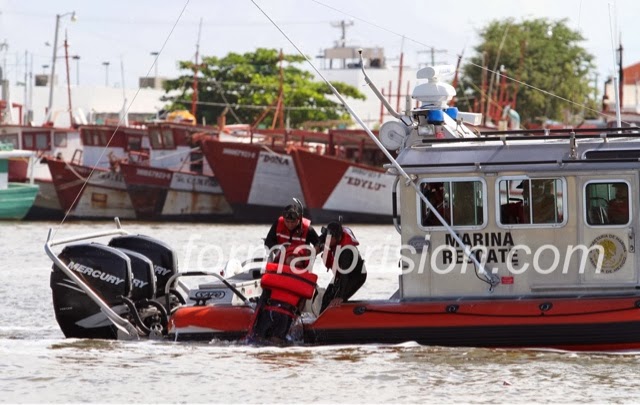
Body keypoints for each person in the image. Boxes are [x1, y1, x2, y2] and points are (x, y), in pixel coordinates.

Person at [247, 199, 320, 344]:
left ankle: (292, 320)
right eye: (287, 221)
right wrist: (282, 250)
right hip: (280, 265)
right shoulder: (278, 224)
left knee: (292, 302)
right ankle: (259, 322)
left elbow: (319, 244)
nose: (290, 224)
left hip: (299, 268)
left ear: (299, 220)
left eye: (293, 222)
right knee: (268, 296)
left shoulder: (308, 229)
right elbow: (269, 242)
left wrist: (309, 253)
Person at [319, 221, 367, 313]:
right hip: (341, 273)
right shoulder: (332, 238)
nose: (327, 241)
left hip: (355, 275)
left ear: (337, 237)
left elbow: (345, 276)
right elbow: (321, 239)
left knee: (336, 300)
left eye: (329, 238)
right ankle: (320, 319)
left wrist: (340, 296)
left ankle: (336, 319)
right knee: (326, 297)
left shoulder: (346, 251)